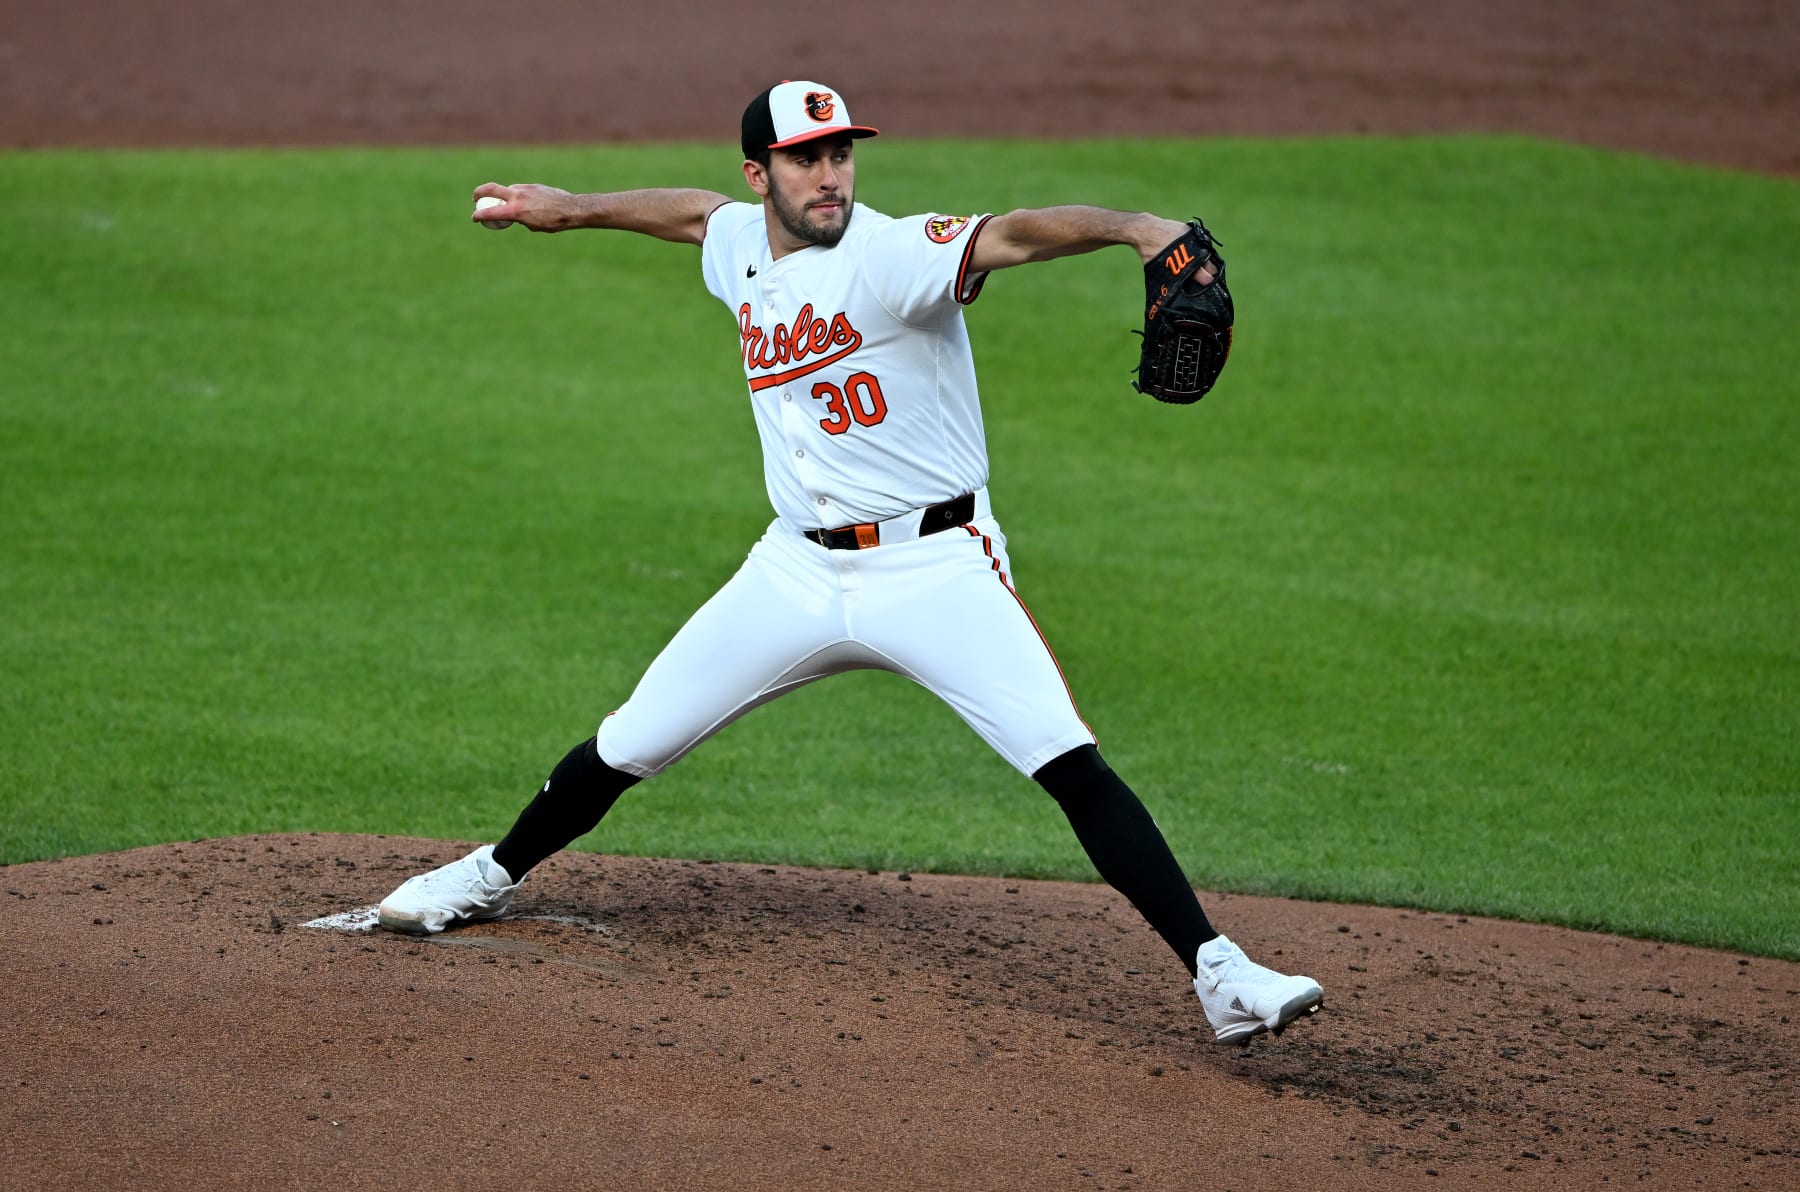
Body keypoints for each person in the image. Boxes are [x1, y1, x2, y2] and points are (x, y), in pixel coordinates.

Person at [377, 80, 1323, 1044]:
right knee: (631, 740)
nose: (830, 177)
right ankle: (490, 874)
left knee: (1065, 758)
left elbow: (1023, 233)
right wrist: (570, 210)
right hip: (793, 574)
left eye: (841, 154)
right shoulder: (743, 241)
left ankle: (1219, 972)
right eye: (804, 159)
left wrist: (1138, 228)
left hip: (937, 569)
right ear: (761, 175)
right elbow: (692, 218)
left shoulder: (893, 253)